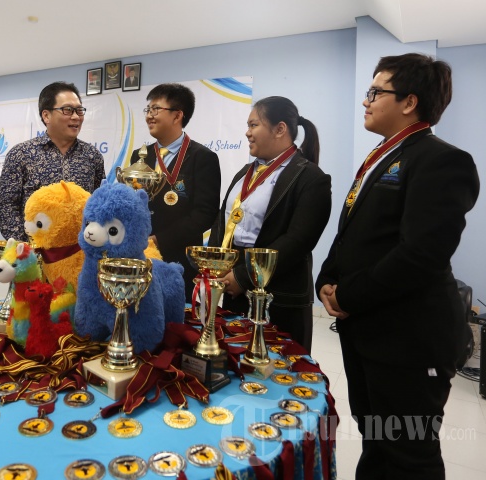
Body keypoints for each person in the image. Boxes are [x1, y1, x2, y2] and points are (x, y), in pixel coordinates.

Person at [317, 53, 479, 480]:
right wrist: (327, 279)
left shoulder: (442, 160)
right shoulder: (383, 156)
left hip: (409, 339)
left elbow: (421, 255)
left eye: (375, 92)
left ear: (409, 102)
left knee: (409, 455)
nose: (365, 101)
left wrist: (348, 295)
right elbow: (355, 233)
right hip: (370, 330)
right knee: (377, 441)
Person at [209, 96, 331, 351]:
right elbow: (223, 221)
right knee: (234, 359)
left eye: (254, 125)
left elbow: (297, 241)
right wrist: (216, 266)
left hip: (277, 294)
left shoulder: (311, 178)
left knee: (276, 366)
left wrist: (243, 276)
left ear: (280, 129)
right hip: (233, 288)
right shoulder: (245, 172)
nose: (247, 132)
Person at [129, 83, 221, 298]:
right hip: (141, 254)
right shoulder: (140, 156)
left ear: (177, 115)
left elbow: (204, 214)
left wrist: (159, 239)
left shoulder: (202, 157)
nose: (149, 115)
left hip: (180, 260)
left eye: (155, 109)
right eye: (148, 109)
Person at [0, 81, 105, 241]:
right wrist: (26, 247)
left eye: (79, 110)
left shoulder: (92, 156)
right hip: (35, 250)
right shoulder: (21, 154)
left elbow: (99, 204)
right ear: (46, 116)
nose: (76, 117)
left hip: (80, 250)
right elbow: (7, 207)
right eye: (68, 110)